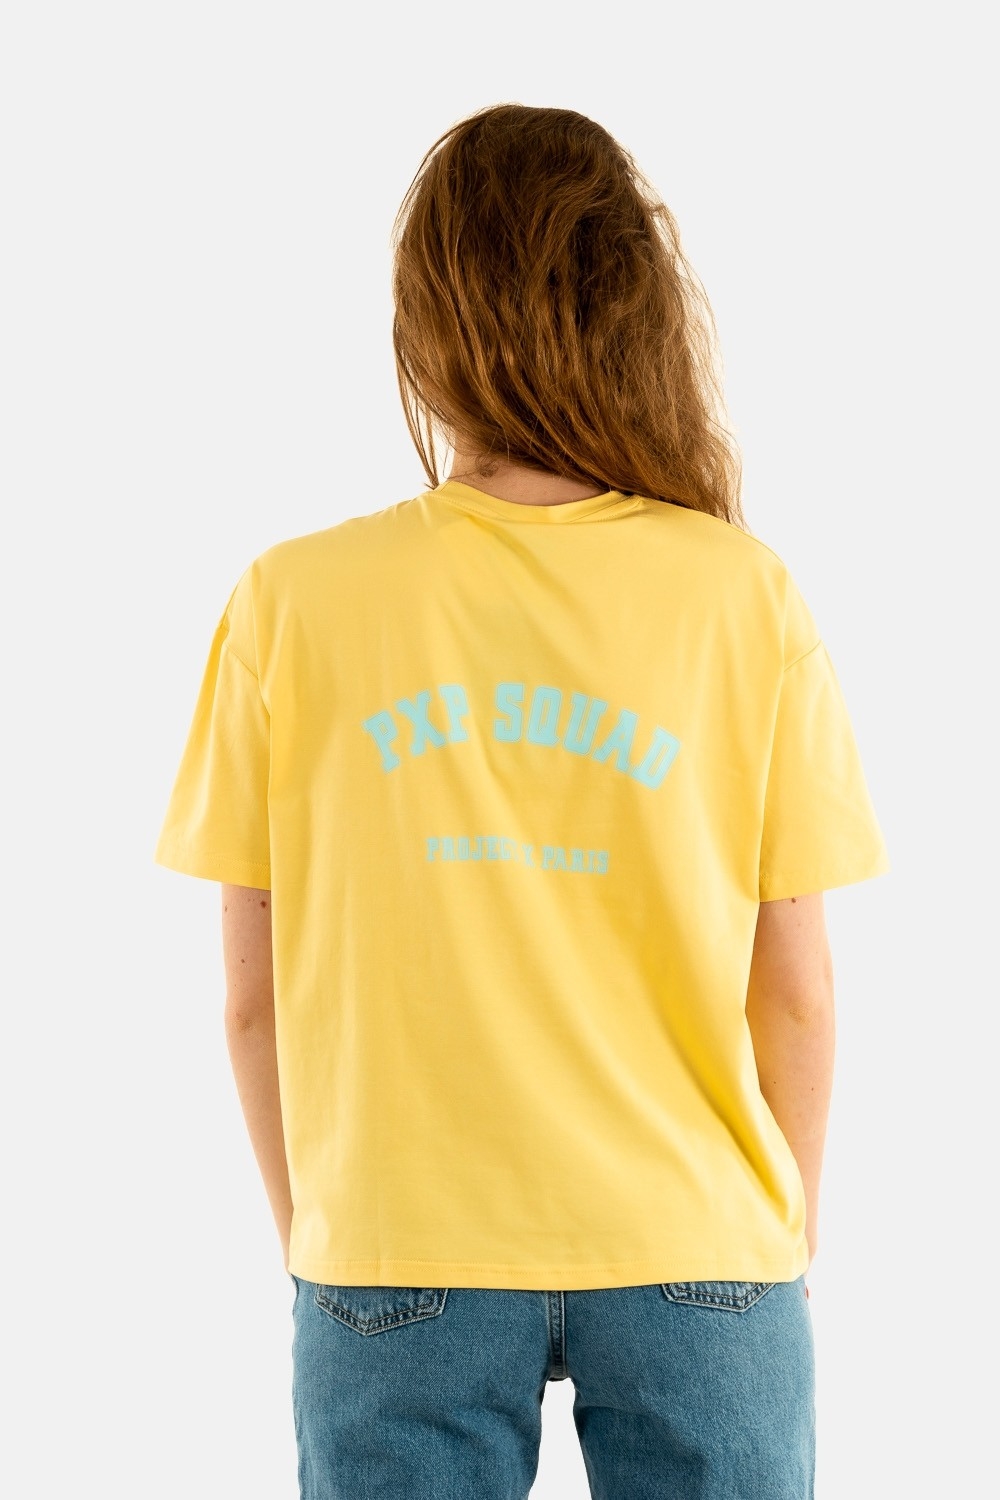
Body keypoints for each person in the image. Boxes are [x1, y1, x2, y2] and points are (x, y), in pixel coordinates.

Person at [154, 103, 889, 1500]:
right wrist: (777, 1247)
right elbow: (794, 992)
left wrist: (323, 1238)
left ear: (425, 323)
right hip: (694, 1240)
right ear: (639, 311)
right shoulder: (741, 598)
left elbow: (252, 1002)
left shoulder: (293, 602)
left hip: (396, 1237)